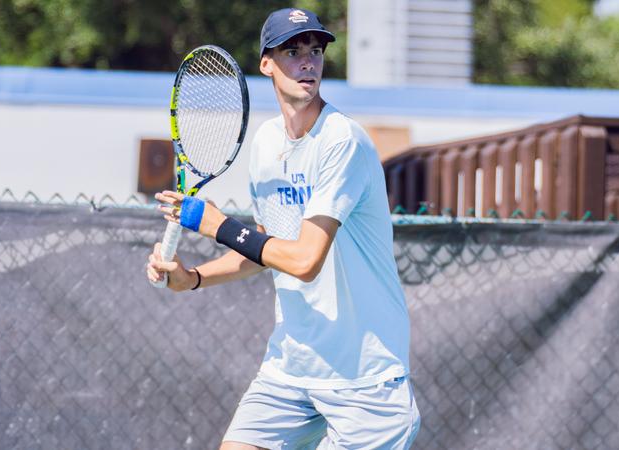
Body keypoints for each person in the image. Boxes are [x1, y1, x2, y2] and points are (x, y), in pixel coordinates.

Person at [147, 7, 419, 449]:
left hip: (365, 382)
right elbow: (263, 250)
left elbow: (304, 261)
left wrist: (218, 225)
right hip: (291, 371)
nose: (308, 62)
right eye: (293, 52)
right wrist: (192, 277)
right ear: (266, 64)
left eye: (315, 51)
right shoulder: (266, 144)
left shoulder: (342, 141)